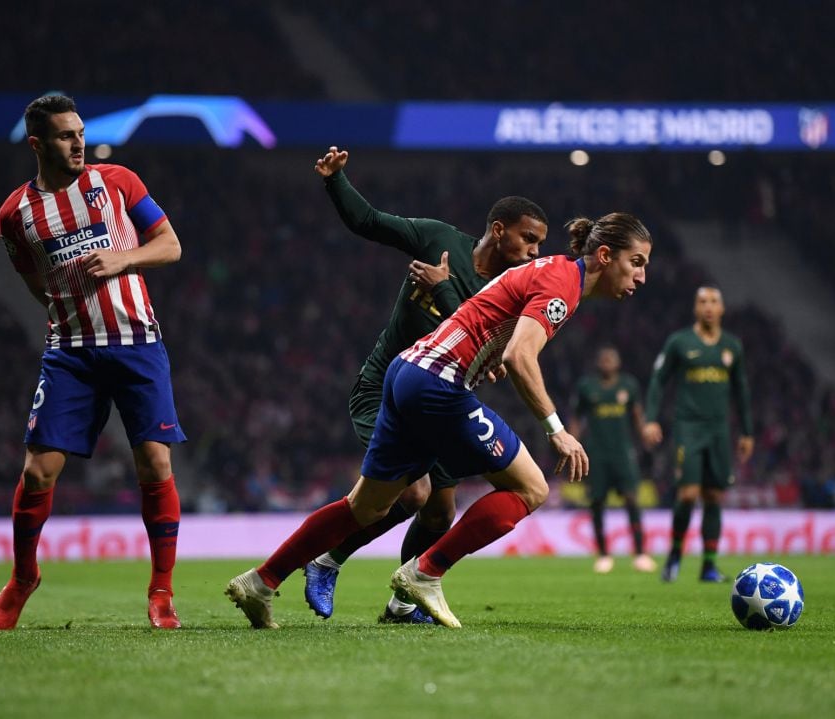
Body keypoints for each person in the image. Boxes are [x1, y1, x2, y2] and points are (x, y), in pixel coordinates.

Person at [227, 212, 653, 629]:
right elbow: (520, 356)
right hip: (438, 382)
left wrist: (485, 349)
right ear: (603, 255)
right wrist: (558, 431)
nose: (641, 278)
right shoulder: (563, 285)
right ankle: (424, 573)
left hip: (407, 371)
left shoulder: (552, 270)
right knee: (531, 487)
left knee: (367, 505)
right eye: (636, 263)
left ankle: (261, 581)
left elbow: (489, 322)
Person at [301, 146, 548, 624]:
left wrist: (443, 288)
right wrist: (335, 180)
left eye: (539, 243)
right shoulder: (438, 239)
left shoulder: (509, 292)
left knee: (439, 512)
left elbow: (476, 330)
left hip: (440, 403)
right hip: (385, 389)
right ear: (499, 230)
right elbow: (369, 221)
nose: (535, 251)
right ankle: (326, 561)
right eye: (529, 239)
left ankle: (402, 604)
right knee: (411, 495)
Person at [0, 94, 187, 630]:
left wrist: (124, 258)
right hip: (70, 355)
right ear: (37, 143)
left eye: (79, 133)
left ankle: (162, 591)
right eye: (63, 135)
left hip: (137, 343)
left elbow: (169, 245)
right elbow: (37, 285)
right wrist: (72, 316)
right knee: (36, 472)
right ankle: (23, 578)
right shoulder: (15, 215)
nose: (77, 142)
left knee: (156, 463)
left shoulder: (119, 181)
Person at [642, 286, 753, 583]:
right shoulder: (680, 342)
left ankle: (709, 566)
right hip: (688, 428)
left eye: (714, 301)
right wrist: (650, 419)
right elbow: (658, 380)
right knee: (689, 494)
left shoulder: (732, 346)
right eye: (702, 301)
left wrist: (747, 431)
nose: (708, 306)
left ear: (722, 309)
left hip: (719, 429)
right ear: (695, 308)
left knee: (714, 495)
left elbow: (741, 391)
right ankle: (675, 555)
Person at [567, 346, 655, 574]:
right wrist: (571, 444)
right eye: (603, 359)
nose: (606, 363)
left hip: (623, 452)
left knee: (631, 499)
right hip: (596, 453)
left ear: (618, 363)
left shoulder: (628, 385)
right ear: (598, 363)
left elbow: (637, 414)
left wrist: (644, 433)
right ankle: (604, 554)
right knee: (597, 502)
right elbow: (576, 418)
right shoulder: (587, 387)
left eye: (610, 359)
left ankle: (640, 553)